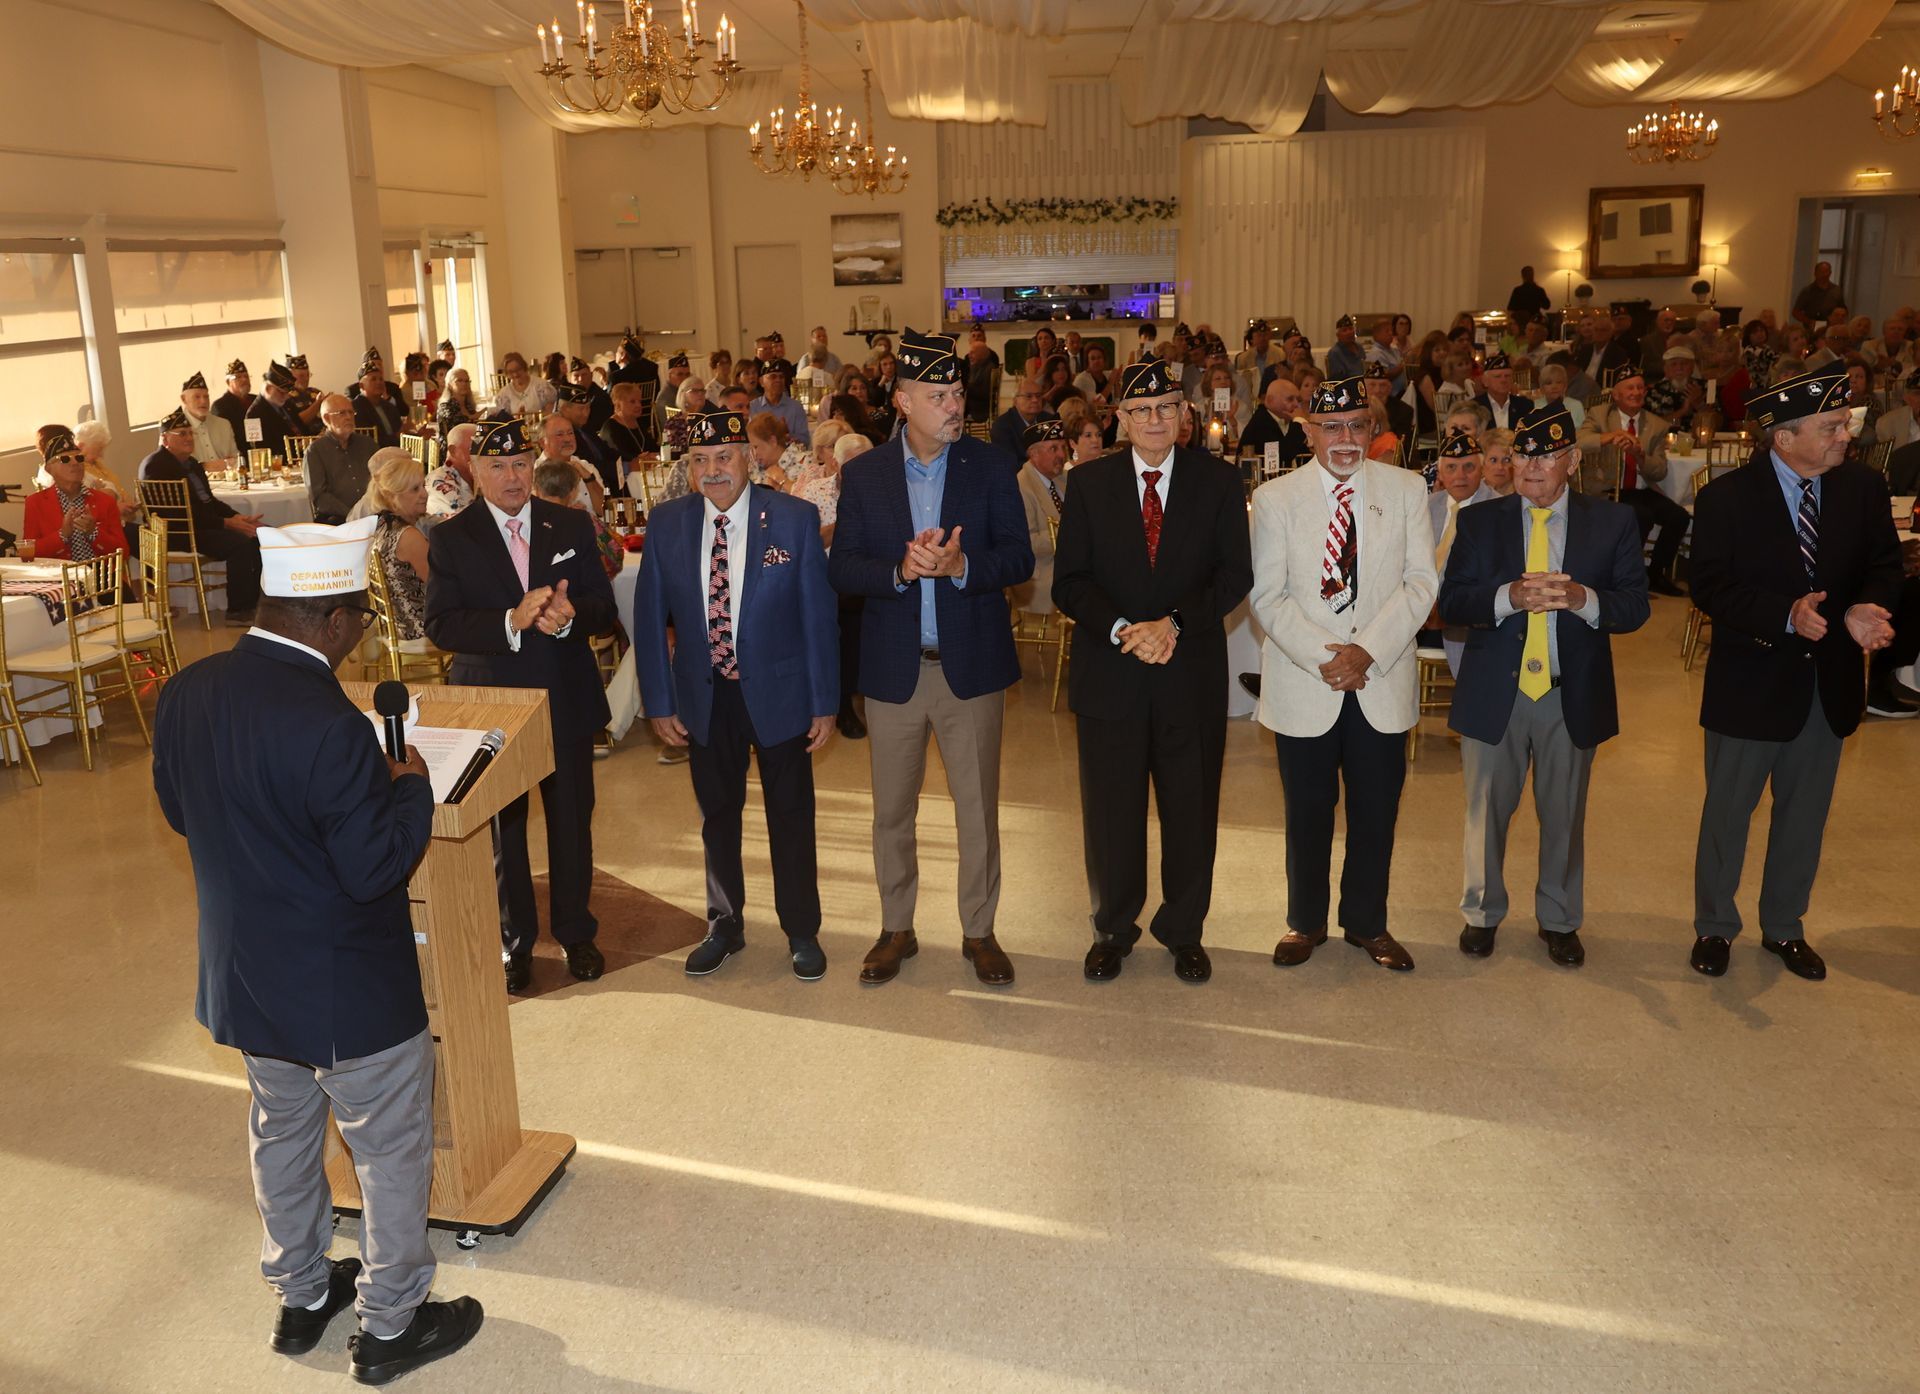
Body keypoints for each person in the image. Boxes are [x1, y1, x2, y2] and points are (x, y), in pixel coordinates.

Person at [151, 516, 484, 1385]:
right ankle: (390, 1324)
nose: (358, 641)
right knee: (388, 1149)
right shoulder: (332, 725)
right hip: (347, 993)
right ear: (334, 624)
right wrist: (409, 790)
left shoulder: (186, 691)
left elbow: (185, 816)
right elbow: (374, 867)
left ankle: (300, 1297)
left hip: (249, 980)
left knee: (282, 1134)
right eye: (360, 626)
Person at [827, 328, 1034, 987]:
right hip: (895, 669)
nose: (954, 405)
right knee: (892, 808)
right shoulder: (864, 475)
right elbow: (843, 568)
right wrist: (900, 571)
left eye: (957, 393)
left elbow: (1020, 559)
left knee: (977, 806)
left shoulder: (992, 466)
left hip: (971, 667)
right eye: (938, 394)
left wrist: (964, 564)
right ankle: (897, 928)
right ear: (902, 400)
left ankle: (979, 930)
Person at [1687, 365, 1904, 982]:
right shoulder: (1725, 499)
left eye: (1844, 424)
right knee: (1728, 815)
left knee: (1804, 816)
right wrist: (1782, 615)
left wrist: (1867, 607)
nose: (1845, 436)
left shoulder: (1862, 488)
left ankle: (1784, 926)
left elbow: (1886, 565)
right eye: (1831, 426)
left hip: (1826, 684)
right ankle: (1714, 926)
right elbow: (1710, 586)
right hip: (1750, 683)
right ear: (1784, 437)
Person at [1052, 360, 1253, 984]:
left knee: (1191, 807)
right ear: (1120, 420)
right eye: (1141, 411)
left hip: (1187, 670)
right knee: (1112, 811)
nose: (1155, 420)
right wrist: (1123, 631)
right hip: (1111, 672)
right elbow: (1071, 582)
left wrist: (1172, 625)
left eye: (1167, 407)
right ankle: (1114, 927)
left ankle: (1184, 929)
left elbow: (1233, 575)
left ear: (1185, 414)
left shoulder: (1219, 483)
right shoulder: (1087, 484)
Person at [1441, 406, 1650, 967]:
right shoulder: (1481, 521)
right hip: (1495, 692)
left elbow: (1635, 607)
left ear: (1573, 461)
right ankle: (1481, 913)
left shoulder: (1612, 522)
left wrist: (1586, 601)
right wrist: (1506, 597)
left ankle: (1558, 918)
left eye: (1547, 455)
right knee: (1485, 810)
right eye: (1523, 455)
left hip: (1568, 692)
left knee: (1564, 813)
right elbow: (1452, 602)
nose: (1532, 467)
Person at [633, 410, 838, 980]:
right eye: (700, 461)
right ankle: (724, 923)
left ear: (748, 457)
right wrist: (659, 701)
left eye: (724, 457)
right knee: (717, 815)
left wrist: (825, 701)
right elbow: (649, 617)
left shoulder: (794, 519)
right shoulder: (668, 523)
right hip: (705, 696)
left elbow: (818, 618)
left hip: (782, 693)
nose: (713, 471)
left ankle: (801, 929)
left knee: (790, 816)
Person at [1250, 375, 1436, 974]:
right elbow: (1268, 596)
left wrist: (1368, 651)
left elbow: (1420, 582)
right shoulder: (1276, 499)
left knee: (1376, 810)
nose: (1346, 437)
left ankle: (1366, 923)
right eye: (1332, 426)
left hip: (1380, 680)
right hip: (1308, 682)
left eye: (1358, 424)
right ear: (1309, 432)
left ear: (1373, 429)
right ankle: (1305, 922)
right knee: (1306, 811)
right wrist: (1328, 657)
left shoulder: (1406, 489)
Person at [424, 418, 618, 993]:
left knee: (571, 818)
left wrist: (568, 616)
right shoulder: (452, 537)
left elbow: (603, 607)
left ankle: (577, 932)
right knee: (506, 831)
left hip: (566, 694)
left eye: (519, 465)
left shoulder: (571, 523)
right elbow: (441, 624)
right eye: (497, 467)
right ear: (474, 472)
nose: (511, 478)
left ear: (532, 467)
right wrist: (511, 620)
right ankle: (517, 943)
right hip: (494, 706)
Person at [140, 408, 264, 626]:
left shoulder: (192, 464)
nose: (189, 438)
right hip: (178, 532)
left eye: (190, 433)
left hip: (202, 526)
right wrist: (226, 524)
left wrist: (238, 517)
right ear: (165, 438)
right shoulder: (156, 466)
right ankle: (238, 611)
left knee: (261, 534)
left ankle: (259, 602)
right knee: (242, 544)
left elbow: (210, 502)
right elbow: (176, 514)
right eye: (182, 434)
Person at [1575, 367, 1691, 596]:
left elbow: (1659, 472)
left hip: (1640, 488)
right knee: (1640, 515)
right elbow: (1579, 442)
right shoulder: (1599, 414)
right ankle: (1628, 579)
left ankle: (1655, 574)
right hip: (1606, 488)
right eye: (1630, 387)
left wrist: (1640, 455)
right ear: (1616, 395)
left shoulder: (1656, 425)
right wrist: (1609, 437)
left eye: (1640, 387)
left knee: (1679, 517)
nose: (1636, 392)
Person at [1426, 427, 1499, 676]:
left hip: (1463, 614)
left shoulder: (1497, 510)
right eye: (1451, 468)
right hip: (1418, 606)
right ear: (1440, 473)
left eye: (1468, 467)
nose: (1460, 476)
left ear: (1481, 470)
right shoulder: (1426, 506)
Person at [23, 428, 130, 565]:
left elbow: (124, 553)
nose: (75, 463)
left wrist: (94, 532)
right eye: (65, 459)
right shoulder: (35, 503)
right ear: (49, 469)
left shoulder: (104, 501)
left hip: (103, 581)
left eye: (79, 458)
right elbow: (29, 553)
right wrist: (62, 535)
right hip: (60, 580)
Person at [359, 451, 433, 641]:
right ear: (392, 496)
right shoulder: (409, 537)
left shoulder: (381, 526)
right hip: (418, 629)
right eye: (415, 489)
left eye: (423, 486)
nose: (425, 494)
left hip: (395, 626)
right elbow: (440, 587)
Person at [1009, 417, 1067, 617]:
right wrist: (1069, 535)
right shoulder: (1020, 487)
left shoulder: (1063, 479)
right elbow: (1025, 542)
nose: (1061, 454)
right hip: (1038, 573)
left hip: (1067, 562)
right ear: (1033, 454)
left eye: (1062, 447)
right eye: (1053, 449)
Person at [307, 394, 381, 526]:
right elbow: (319, 496)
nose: (348, 417)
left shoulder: (367, 444)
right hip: (337, 517)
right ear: (326, 418)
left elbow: (383, 479)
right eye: (341, 413)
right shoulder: (315, 451)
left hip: (372, 513)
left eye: (351, 412)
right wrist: (352, 514)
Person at [243, 361, 304, 467]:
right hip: (281, 467)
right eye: (282, 392)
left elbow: (301, 429)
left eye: (287, 393)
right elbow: (260, 452)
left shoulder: (285, 404)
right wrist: (297, 447)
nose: (286, 396)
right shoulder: (253, 415)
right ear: (268, 388)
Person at [181, 370, 240, 469]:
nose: (203, 401)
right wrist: (205, 466)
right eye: (197, 397)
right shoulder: (175, 429)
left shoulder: (223, 424)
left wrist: (233, 462)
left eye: (206, 397)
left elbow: (236, 459)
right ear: (184, 399)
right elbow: (171, 466)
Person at [353, 351, 407, 450]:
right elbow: (368, 440)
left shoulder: (389, 407)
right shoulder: (356, 408)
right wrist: (398, 435)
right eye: (373, 379)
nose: (379, 382)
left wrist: (416, 434)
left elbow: (400, 432)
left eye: (381, 379)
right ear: (361, 386)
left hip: (396, 454)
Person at [425, 421, 477, 522]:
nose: (482, 455)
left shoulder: (475, 477)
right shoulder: (440, 481)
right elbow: (468, 524)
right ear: (453, 451)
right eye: (474, 448)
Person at [1472, 352, 1534, 433]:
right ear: (1485, 381)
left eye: (1507, 376)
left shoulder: (1525, 405)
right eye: (1497, 376)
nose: (1503, 380)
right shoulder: (1474, 407)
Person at [991, 379, 1046, 465]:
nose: (1035, 400)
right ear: (1015, 400)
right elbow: (1008, 464)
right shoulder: (1002, 427)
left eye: (1038, 396)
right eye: (1028, 396)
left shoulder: (1049, 419)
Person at [492, 352, 557, 418]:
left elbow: (551, 412)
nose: (515, 374)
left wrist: (535, 418)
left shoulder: (541, 386)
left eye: (518, 369)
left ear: (524, 367)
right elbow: (505, 420)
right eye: (511, 372)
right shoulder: (504, 394)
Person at [1791, 261, 1846, 331]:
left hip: (1832, 327)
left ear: (1830, 273)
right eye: (1821, 272)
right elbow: (1795, 312)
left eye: (1826, 271)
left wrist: (1838, 317)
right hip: (1812, 328)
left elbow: (1843, 309)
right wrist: (1809, 321)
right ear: (1815, 273)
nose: (1824, 275)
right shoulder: (1807, 291)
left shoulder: (1836, 290)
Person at [213, 359, 255, 444]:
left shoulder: (256, 400)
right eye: (238, 377)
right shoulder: (220, 406)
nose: (244, 380)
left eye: (246, 376)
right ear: (228, 382)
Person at [436, 367, 480, 436]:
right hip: (453, 444)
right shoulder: (445, 406)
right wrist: (475, 417)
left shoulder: (469, 406)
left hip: (472, 443)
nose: (464, 384)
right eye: (459, 381)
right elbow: (456, 428)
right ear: (450, 385)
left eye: (467, 381)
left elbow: (477, 431)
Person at [1325, 315, 1366, 380]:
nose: (1349, 332)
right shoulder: (1335, 353)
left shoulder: (1359, 348)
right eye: (1344, 330)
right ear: (1338, 335)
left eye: (1350, 329)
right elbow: (1338, 378)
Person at [1481, 427, 1516, 495]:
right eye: (1493, 460)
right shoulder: (1471, 493)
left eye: (1507, 460)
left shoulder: (1524, 495)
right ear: (1482, 463)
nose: (1500, 467)